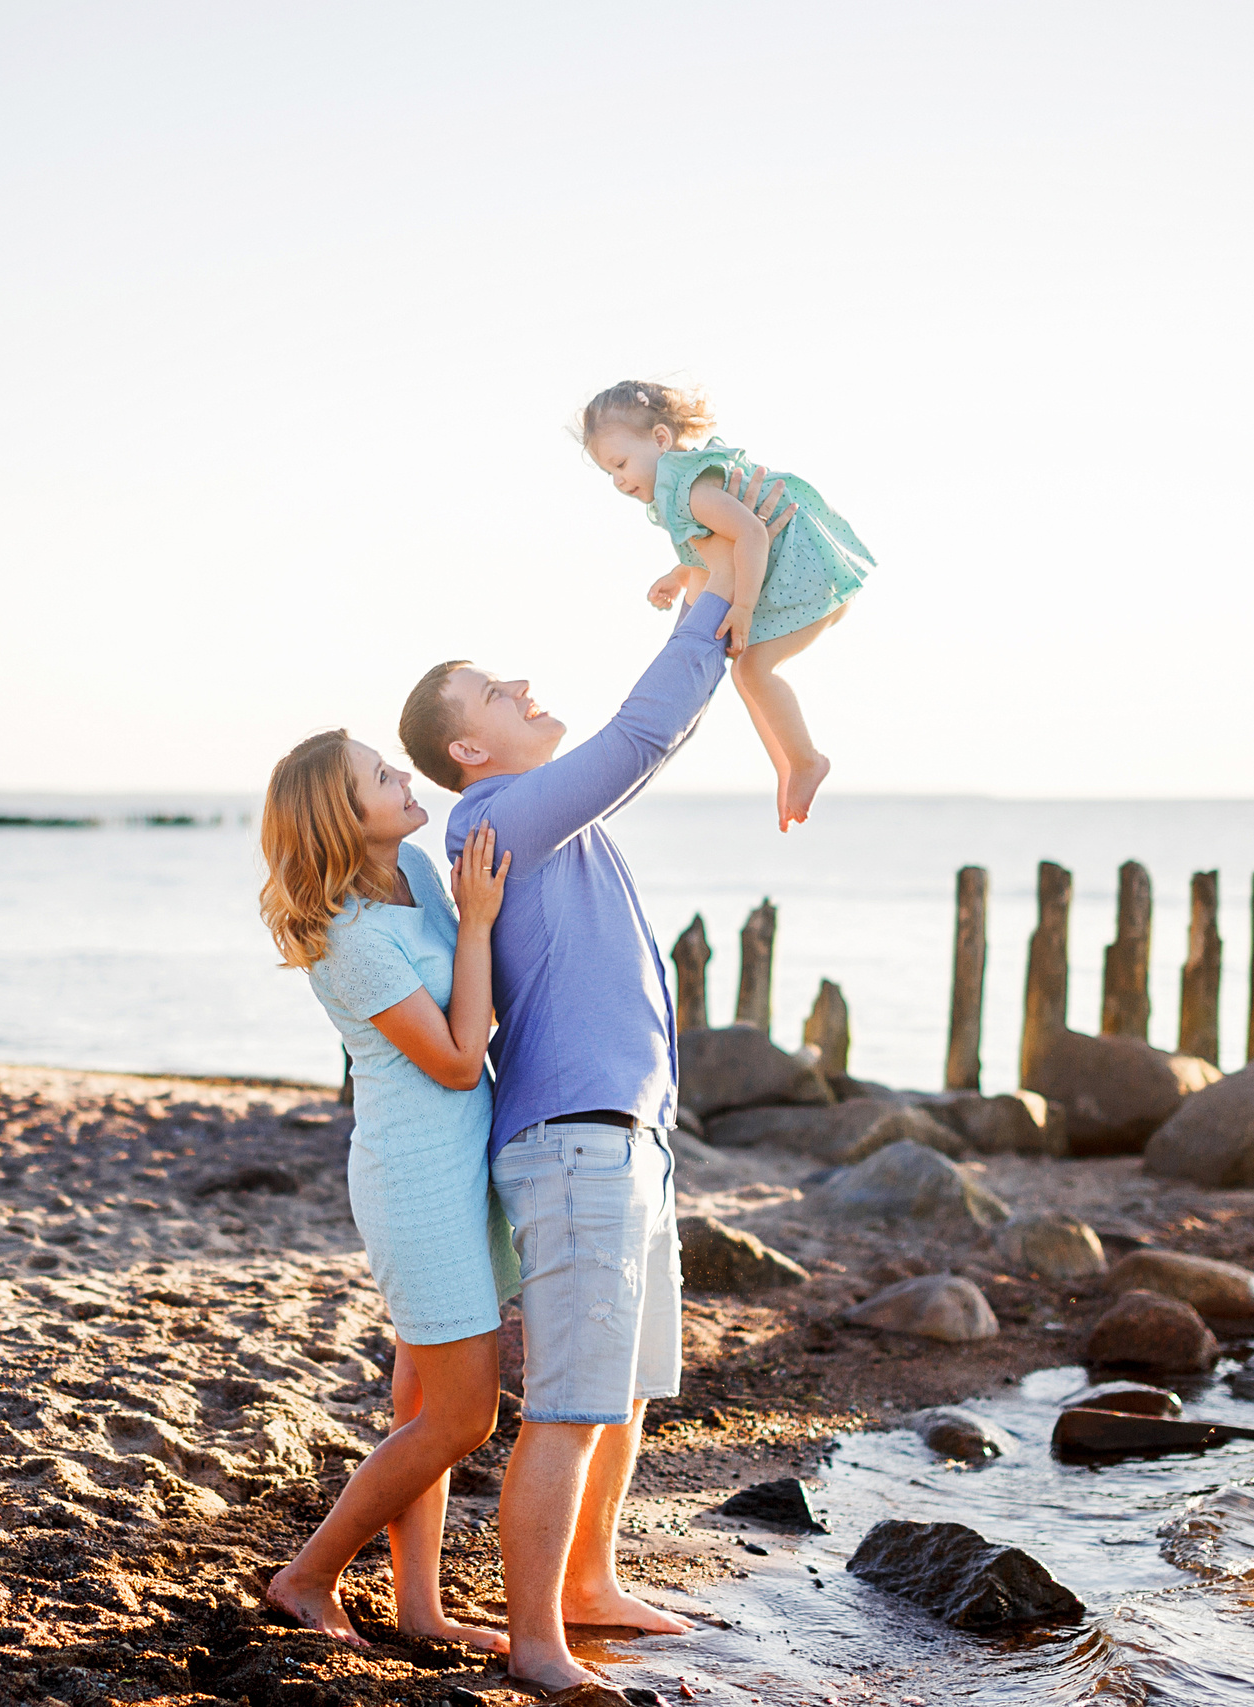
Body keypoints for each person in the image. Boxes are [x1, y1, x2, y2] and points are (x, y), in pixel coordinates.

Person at [397, 469, 795, 1693]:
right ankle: (535, 1645)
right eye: (494, 691)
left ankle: (587, 1583)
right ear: (471, 747)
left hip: (624, 1137)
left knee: (617, 1395)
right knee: (569, 1404)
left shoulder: (525, 819)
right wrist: (706, 613)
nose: (521, 689)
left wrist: (713, 571)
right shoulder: (500, 817)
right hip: (572, 1141)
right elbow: (642, 736)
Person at [255, 729, 519, 1653]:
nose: (404, 777)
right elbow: (453, 1059)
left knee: (423, 1406)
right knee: (462, 1414)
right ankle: (307, 1575)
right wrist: (478, 921)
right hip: (417, 1180)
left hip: (459, 1166)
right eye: (380, 775)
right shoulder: (348, 938)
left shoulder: (409, 864)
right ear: (342, 816)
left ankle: (419, 1607)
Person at [579, 378, 872, 831]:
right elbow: (714, 546)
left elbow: (751, 534)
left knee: (753, 671)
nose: (618, 480)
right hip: (794, 578)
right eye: (609, 473)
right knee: (747, 674)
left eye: (621, 463)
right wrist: (679, 577)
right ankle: (790, 767)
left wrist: (743, 609)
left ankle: (808, 760)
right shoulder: (675, 487)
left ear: (660, 439)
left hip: (808, 580)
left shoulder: (689, 488)